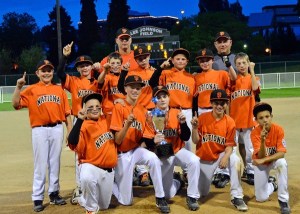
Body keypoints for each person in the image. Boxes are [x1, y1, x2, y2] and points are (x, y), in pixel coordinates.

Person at [12, 60, 72, 212]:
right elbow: (15, 104)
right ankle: (37, 197)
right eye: (43, 70)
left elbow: (67, 113)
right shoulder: (31, 90)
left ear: (52, 72)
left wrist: (70, 130)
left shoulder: (59, 90)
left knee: (55, 162)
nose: (47, 73)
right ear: (37, 73)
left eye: (49, 70)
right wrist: (19, 87)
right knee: (40, 164)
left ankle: (54, 193)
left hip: (57, 128)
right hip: (39, 130)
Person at [110, 75, 170, 213]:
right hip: (123, 154)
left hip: (148, 151)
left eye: (138, 88)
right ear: (125, 88)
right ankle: (109, 182)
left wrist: (153, 143)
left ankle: (161, 197)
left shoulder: (147, 111)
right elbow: (118, 140)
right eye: (132, 87)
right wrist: (128, 125)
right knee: (126, 201)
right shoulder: (121, 107)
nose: (136, 90)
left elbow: (148, 138)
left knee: (157, 159)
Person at [143, 86, 200, 211]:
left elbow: (185, 137)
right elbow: (147, 141)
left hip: (178, 151)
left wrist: (183, 123)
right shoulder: (149, 116)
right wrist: (153, 141)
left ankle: (192, 196)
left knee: (194, 160)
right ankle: (178, 181)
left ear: (169, 98)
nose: (162, 100)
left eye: (164, 96)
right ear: (154, 100)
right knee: (168, 194)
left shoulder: (177, 113)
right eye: (158, 97)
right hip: (163, 155)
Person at [191, 89, 248, 212]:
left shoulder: (230, 122)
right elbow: (195, 141)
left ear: (226, 104)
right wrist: (195, 128)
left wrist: (226, 156)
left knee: (235, 159)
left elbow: (229, 145)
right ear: (211, 104)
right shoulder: (203, 118)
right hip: (204, 159)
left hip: (220, 155)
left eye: (222, 103)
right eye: (216, 103)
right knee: (203, 192)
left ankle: (237, 196)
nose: (219, 106)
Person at [57, 41, 100, 205]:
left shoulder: (97, 82)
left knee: (98, 151)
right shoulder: (73, 81)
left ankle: (97, 184)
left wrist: (100, 69)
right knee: (79, 155)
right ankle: (80, 187)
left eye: (87, 65)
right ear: (78, 68)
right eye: (81, 66)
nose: (84, 68)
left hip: (96, 121)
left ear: (91, 67)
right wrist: (64, 57)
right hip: (79, 121)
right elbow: (60, 73)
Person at [68, 93, 118, 214]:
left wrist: (120, 102)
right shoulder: (83, 125)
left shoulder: (107, 120)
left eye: (97, 106)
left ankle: (81, 198)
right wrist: (79, 119)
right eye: (90, 107)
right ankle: (90, 209)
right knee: (86, 178)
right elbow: (72, 142)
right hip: (90, 166)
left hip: (108, 171)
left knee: (104, 206)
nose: (94, 109)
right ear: (85, 109)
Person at [117, 45, 156, 186]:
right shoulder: (132, 73)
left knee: (153, 142)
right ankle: (142, 172)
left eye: (144, 57)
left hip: (152, 111)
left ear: (149, 57)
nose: (142, 60)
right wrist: (124, 72)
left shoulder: (155, 72)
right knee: (138, 141)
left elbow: (160, 90)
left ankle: (155, 171)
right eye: (139, 58)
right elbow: (122, 88)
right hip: (137, 111)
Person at [251, 102, 290, 214]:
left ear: (271, 117)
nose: (265, 120)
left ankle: (283, 200)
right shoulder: (254, 133)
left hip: (269, 161)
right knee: (261, 198)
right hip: (261, 164)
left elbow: (281, 153)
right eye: (261, 118)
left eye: (267, 116)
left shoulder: (278, 130)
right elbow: (261, 155)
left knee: (282, 163)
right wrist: (262, 140)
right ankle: (272, 184)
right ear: (256, 120)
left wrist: (263, 160)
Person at [230, 52, 261, 185]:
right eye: (239, 64)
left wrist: (252, 70)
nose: (242, 66)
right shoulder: (233, 80)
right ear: (235, 66)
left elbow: (254, 87)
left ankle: (250, 170)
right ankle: (231, 171)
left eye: (244, 63)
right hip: (234, 121)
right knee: (231, 148)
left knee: (250, 149)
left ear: (248, 63)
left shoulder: (253, 78)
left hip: (248, 120)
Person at [193, 48, 235, 116]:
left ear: (212, 60)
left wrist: (229, 66)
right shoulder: (196, 77)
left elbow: (234, 79)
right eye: (202, 61)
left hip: (218, 109)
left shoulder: (222, 74)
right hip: (201, 110)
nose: (205, 63)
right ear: (198, 62)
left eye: (207, 60)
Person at [97, 52, 126, 126]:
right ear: (108, 64)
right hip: (110, 112)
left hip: (124, 111)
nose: (115, 65)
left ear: (121, 64)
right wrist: (104, 71)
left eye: (118, 63)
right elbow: (100, 82)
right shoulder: (107, 76)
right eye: (112, 63)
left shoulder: (125, 77)